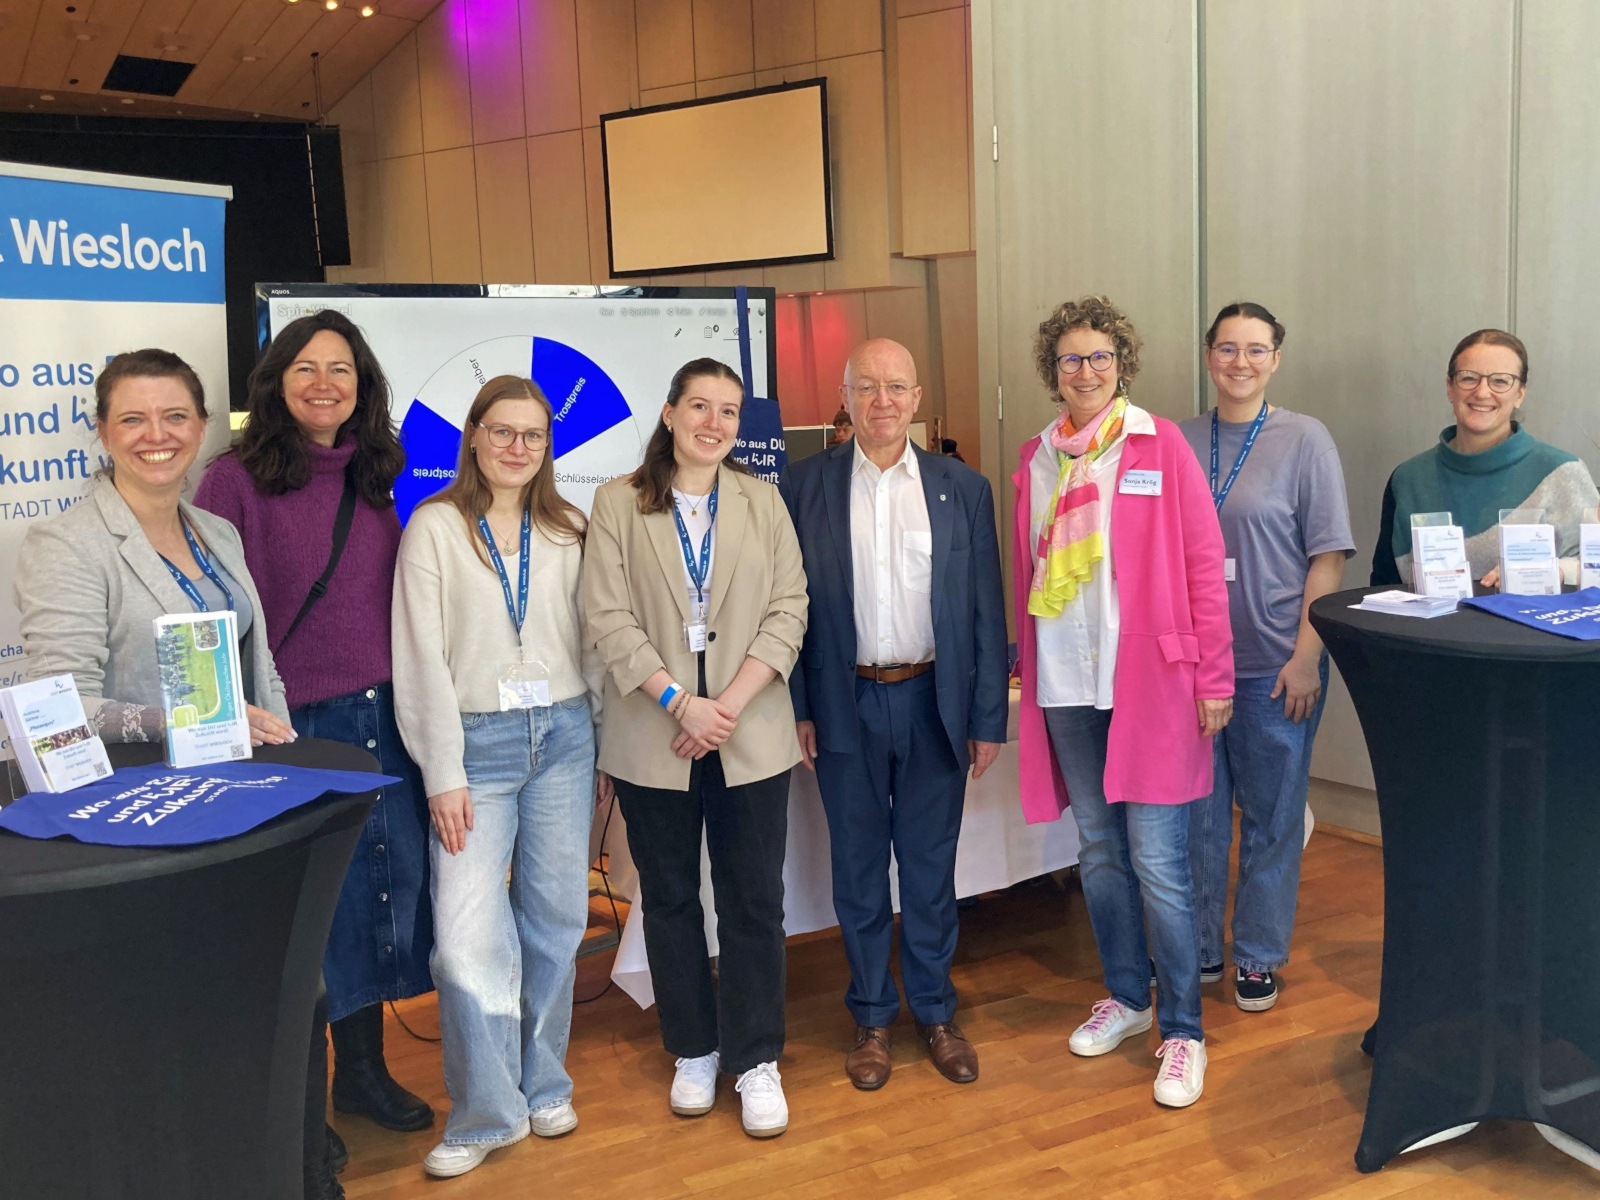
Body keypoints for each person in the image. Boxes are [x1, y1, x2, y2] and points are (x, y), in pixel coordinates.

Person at [10, 350, 328, 1190]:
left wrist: (279, 731)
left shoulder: (214, 529)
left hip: (245, 799)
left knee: (276, 993)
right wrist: (192, 720)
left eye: (176, 416)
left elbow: (254, 663)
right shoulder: (66, 543)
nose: (158, 436)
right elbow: (64, 704)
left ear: (200, 423)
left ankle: (288, 1163)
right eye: (134, 420)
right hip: (143, 820)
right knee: (181, 1016)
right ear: (103, 433)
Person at [195, 310, 435, 1159]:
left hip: (387, 714)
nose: (325, 383)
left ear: (363, 384)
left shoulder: (379, 472)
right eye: (306, 367)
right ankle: (300, 1103)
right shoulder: (232, 481)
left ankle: (362, 1075)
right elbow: (209, 610)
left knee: (379, 895)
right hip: (293, 725)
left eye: (342, 369)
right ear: (275, 381)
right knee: (310, 913)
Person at [1011, 297, 1232, 1108]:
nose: (1086, 371)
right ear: (1053, 370)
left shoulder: (1158, 444)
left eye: (1100, 357)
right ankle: (1130, 1000)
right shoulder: (1036, 461)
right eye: (1071, 359)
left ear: (1121, 364)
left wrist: (1214, 677)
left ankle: (1182, 1030)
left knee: (1160, 863)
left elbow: (1204, 566)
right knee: (1099, 855)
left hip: (1154, 684)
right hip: (1069, 685)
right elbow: (1028, 577)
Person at [583, 358, 808, 1139]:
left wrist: (728, 707)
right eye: (700, 407)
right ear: (671, 413)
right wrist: (681, 702)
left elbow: (790, 609)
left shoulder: (764, 502)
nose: (715, 423)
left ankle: (755, 1059)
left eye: (729, 411)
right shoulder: (617, 503)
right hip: (656, 734)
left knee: (753, 900)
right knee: (672, 899)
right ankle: (693, 1047)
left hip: (749, 735)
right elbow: (607, 618)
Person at [780, 338, 1007, 1093]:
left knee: (930, 868)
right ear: (843, 399)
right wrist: (801, 709)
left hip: (933, 701)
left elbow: (982, 611)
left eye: (897, 387)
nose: (882, 401)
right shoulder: (802, 487)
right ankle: (872, 1017)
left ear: (918, 399)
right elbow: (792, 612)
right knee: (857, 871)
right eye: (867, 387)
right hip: (843, 702)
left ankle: (937, 1013)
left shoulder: (961, 488)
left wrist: (987, 719)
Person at [391, 376, 602, 1179]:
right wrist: (441, 772)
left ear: (548, 448)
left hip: (565, 736)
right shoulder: (436, 529)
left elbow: (592, 644)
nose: (519, 447)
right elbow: (419, 661)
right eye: (503, 431)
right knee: (468, 941)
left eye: (534, 436)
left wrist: (604, 740)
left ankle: (543, 1082)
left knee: (554, 922)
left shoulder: (569, 529)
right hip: (474, 750)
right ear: (473, 435)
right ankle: (487, 1112)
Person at [1178, 302, 1354, 1014]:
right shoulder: (1177, 440)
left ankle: (1256, 954)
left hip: (1277, 663)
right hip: (1191, 667)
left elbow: (1329, 556)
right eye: (1227, 348)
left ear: (1276, 358)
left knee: (1273, 817)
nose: (1240, 362)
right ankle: (1199, 947)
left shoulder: (1305, 439)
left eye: (1256, 350)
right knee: (1196, 818)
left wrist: (1307, 656)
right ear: (1208, 356)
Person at [1372, 329, 1599, 588]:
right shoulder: (1409, 478)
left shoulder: (1563, 473)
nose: (1482, 393)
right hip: (1425, 629)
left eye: (1500, 381)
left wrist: (1554, 569)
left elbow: (1595, 568)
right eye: (1468, 378)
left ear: (1520, 393)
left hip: (1533, 628)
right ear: (1450, 387)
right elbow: (1384, 586)